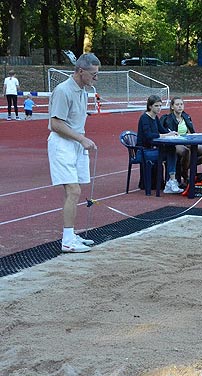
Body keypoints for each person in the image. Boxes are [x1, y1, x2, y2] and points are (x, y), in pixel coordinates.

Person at [47, 53, 101, 253]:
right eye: (93, 74)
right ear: (80, 71)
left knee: (74, 191)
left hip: (76, 144)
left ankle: (70, 235)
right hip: (62, 145)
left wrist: (81, 139)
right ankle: (67, 241)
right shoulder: (63, 90)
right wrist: (81, 138)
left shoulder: (83, 90)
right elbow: (55, 124)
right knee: (73, 190)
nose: (96, 78)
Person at [160, 96, 202, 188]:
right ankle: (185, 176)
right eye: (177, 104)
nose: (180, 106)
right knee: (186, 152)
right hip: (173, 143)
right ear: (172, 107)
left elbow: (191, 132)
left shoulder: (186, 117)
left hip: (187, 141)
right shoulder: (167, 119)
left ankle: (183, 168)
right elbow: (163, 132)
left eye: (181, 104)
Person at [136, 95, 183, 195]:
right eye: (156, 106)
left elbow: (162, 129)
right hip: (144, 151)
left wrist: (172, 133)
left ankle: (171, 181)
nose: (159, 108)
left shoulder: (155, 117)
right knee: (170, 152)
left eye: (160, 106)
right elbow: (149, 135)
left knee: (172, 150)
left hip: (153, 150)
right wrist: (165, 135)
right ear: (150, 106)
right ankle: (170, 182)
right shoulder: (144, 118)